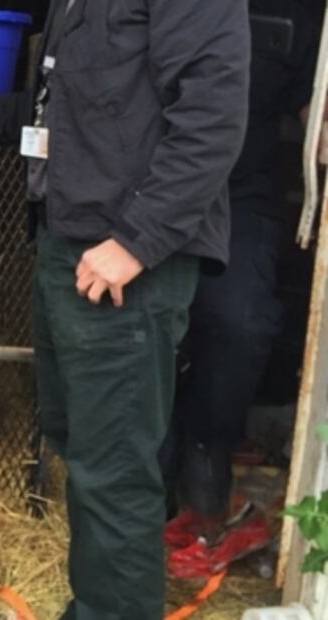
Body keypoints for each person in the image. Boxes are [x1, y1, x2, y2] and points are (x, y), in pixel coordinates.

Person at [0, 0, 249, 616]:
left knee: (112, 461)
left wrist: (136, 242)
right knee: (81, 440)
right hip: (71, 243)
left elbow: (212, 119)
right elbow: (68, 107)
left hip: (124, 261)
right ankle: (101, 598)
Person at [162, 0, 322, 577]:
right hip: (153, 181)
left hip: (240, 189)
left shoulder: (297, 16)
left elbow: (313, 108)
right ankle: (151, 476)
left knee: (242, 321)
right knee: (149, 319)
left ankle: (210, 452)